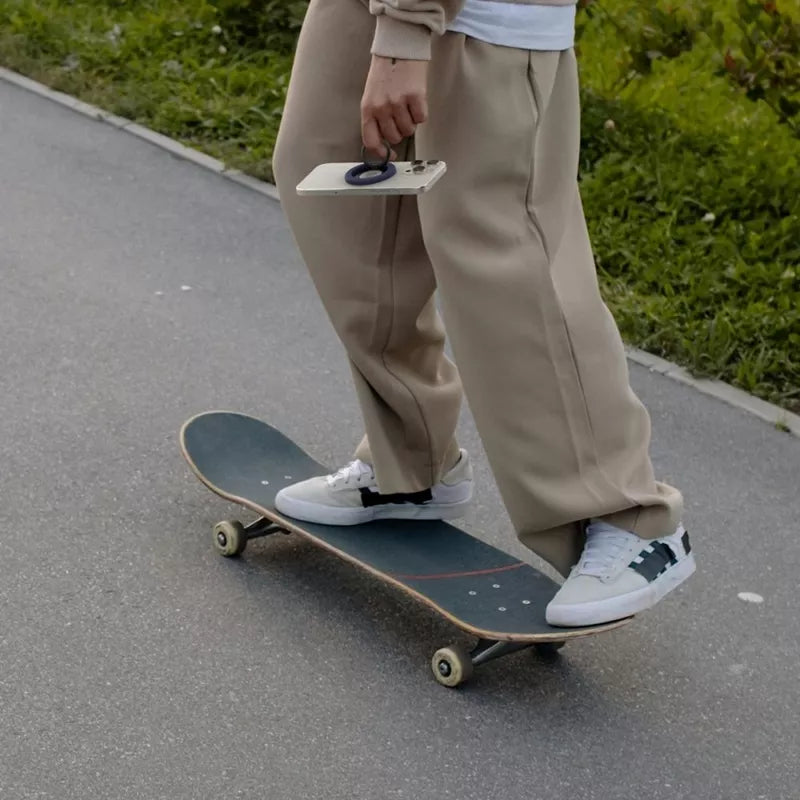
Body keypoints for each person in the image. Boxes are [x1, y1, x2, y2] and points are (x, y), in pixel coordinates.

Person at [271, 0, 695, 626]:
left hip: (486, 18)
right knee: (331, 183)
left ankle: (627, 516)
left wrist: (405, 29)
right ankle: (411, 466)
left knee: (500, 255)